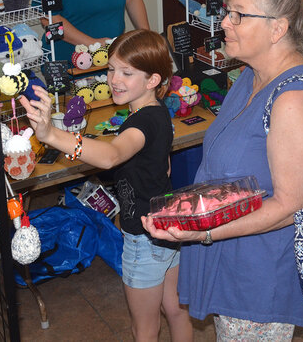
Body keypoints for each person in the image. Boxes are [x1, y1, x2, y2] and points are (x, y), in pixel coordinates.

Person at [142, 0, 303, 340]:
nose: (224, 23)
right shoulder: (250, 74)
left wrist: (203, 233)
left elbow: (291, 205)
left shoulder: (293, 101)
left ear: (277, 28)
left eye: (238, 15)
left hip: (258, 274)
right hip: (234, 256)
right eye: (227, 12)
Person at [20, 29, 192, 342]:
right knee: (176, 309)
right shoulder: (158, 114)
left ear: (153, 79)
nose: (114, 79)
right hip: (167, 227)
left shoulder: (140, 122)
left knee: (144, 329)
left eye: (127, 72)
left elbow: (112, 156)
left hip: (144, 238)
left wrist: (51, 136)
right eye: (111, 69)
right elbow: (161, 165)